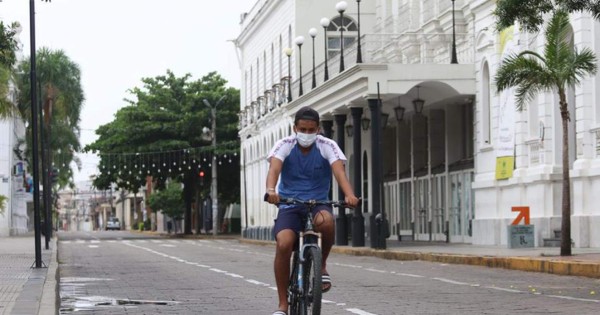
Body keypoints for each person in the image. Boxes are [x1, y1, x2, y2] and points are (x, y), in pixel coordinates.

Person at [264, 106, 359, 315]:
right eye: (303, 129)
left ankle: (322, 264)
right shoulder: (284, 145)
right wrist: (271, 190)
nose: (307, 134)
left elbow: (339, 172)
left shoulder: (327, 145)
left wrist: (350, 195)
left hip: (318, 202)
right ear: (295, 128)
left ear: (318, 130)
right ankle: (282, 304)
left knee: (326, 222)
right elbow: (274, 169)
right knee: (285, 243)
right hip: (289, 203)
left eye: (311, 130)